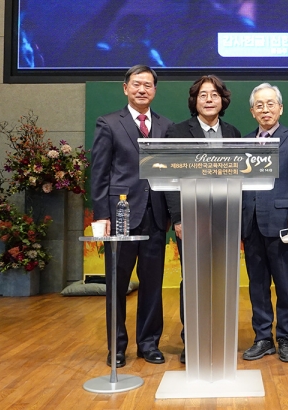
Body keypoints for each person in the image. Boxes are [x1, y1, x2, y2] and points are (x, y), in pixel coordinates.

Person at [90, 64, 173, 367]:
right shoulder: (109, 123)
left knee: (152, 284)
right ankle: (117, 348)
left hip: (155, 217)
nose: (142, 89)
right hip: (120, 217)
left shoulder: (167, 126)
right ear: (125, 88)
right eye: (136, 84)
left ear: (154, 90)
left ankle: (149, 343)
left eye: (148, 85)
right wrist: (102, 214)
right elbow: (99, 174)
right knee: (117, 285)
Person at [164, 75, 242, 364]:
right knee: (194, 281)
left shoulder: (233, 133)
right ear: (194, 101)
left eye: (215, 95)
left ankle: (220, 339)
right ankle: (193, 341)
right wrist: (179, 219)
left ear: (223, 100)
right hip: (192, 218)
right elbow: (171, 180)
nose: (209, 99)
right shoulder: (177, 131)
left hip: (226, 219)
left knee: (223, 280)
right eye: (203, 95)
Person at [241, 83, 288, 362]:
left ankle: (285, 338)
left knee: (284, 284)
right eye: (259, 105)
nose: (265, 109)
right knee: (257, 285)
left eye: (270, 104)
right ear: (252, 111)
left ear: (280, 108)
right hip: (250, 224)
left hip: (282, 222)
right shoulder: (244, 142)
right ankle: (262, 338)